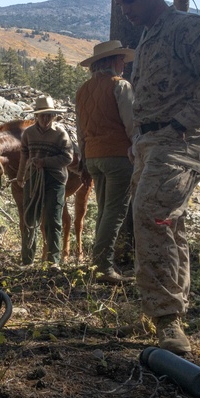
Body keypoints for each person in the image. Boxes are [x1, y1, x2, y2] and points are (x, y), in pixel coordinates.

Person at [107, 0, 200, 354]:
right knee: (166, 223)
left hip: (180, 143)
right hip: (152, 145)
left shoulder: (190, 28)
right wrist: (138, 139)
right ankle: (169, 309)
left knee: (151, 213)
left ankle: (168, 322)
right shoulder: (147, 39)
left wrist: (182, 123)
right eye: (120, 5)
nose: (126, 10)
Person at [75, 40, 136, 283]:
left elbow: (80, 129)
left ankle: (96, 263)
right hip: (118, 156)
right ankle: (102, 267)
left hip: (93, 157)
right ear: (111, 61)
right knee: (115, 212)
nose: (123, 63)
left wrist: (84, 158)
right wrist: (138, 148)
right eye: (121, 59)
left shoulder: (83, 90)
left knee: (104, 210)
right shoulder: (120, 86)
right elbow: (131, 123)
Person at [16, 96, 74, 266]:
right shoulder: (28, 133)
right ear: (37, 116)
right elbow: (24, 155)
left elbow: (68, 157)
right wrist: (21, 176)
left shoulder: (60, 134)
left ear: (54, 116)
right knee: (29, 219)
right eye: (43, 115)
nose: (46, 118)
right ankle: (27, 260)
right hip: (33, 178)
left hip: (55, 180)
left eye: (50, 115)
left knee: (52, 220)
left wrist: (46, 162)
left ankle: (53, 261)